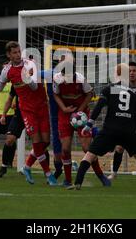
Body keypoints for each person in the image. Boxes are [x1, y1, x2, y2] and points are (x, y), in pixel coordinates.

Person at [0, 41, 58, 186]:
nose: (17, 55)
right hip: (27, 110)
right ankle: (48, 175)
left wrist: (26, 77)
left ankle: (27, 167)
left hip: (41, 106)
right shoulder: (7, 70)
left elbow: (34, 87)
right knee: (37, 141)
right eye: (14, 52)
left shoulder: (30, 64)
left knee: (45, 142)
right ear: (8, 54)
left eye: (19, 51)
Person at [67, 63, 136, 191]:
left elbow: (98, 107)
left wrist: (89, 124)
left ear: (118, 74)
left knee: (89, 155)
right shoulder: (133, 95)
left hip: (110, 130)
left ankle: (78, 183)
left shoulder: (108, 89)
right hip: (128, 131)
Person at [53, 59, 110, 188]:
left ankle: (101, 175)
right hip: (65, 114)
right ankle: (68, 179)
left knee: (87, 148)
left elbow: (90, 94)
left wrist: (80, 110)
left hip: (81, 115)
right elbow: (56, 95)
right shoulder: (57, 79)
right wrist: (63, 108)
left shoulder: (80, 79)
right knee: (65, 148)